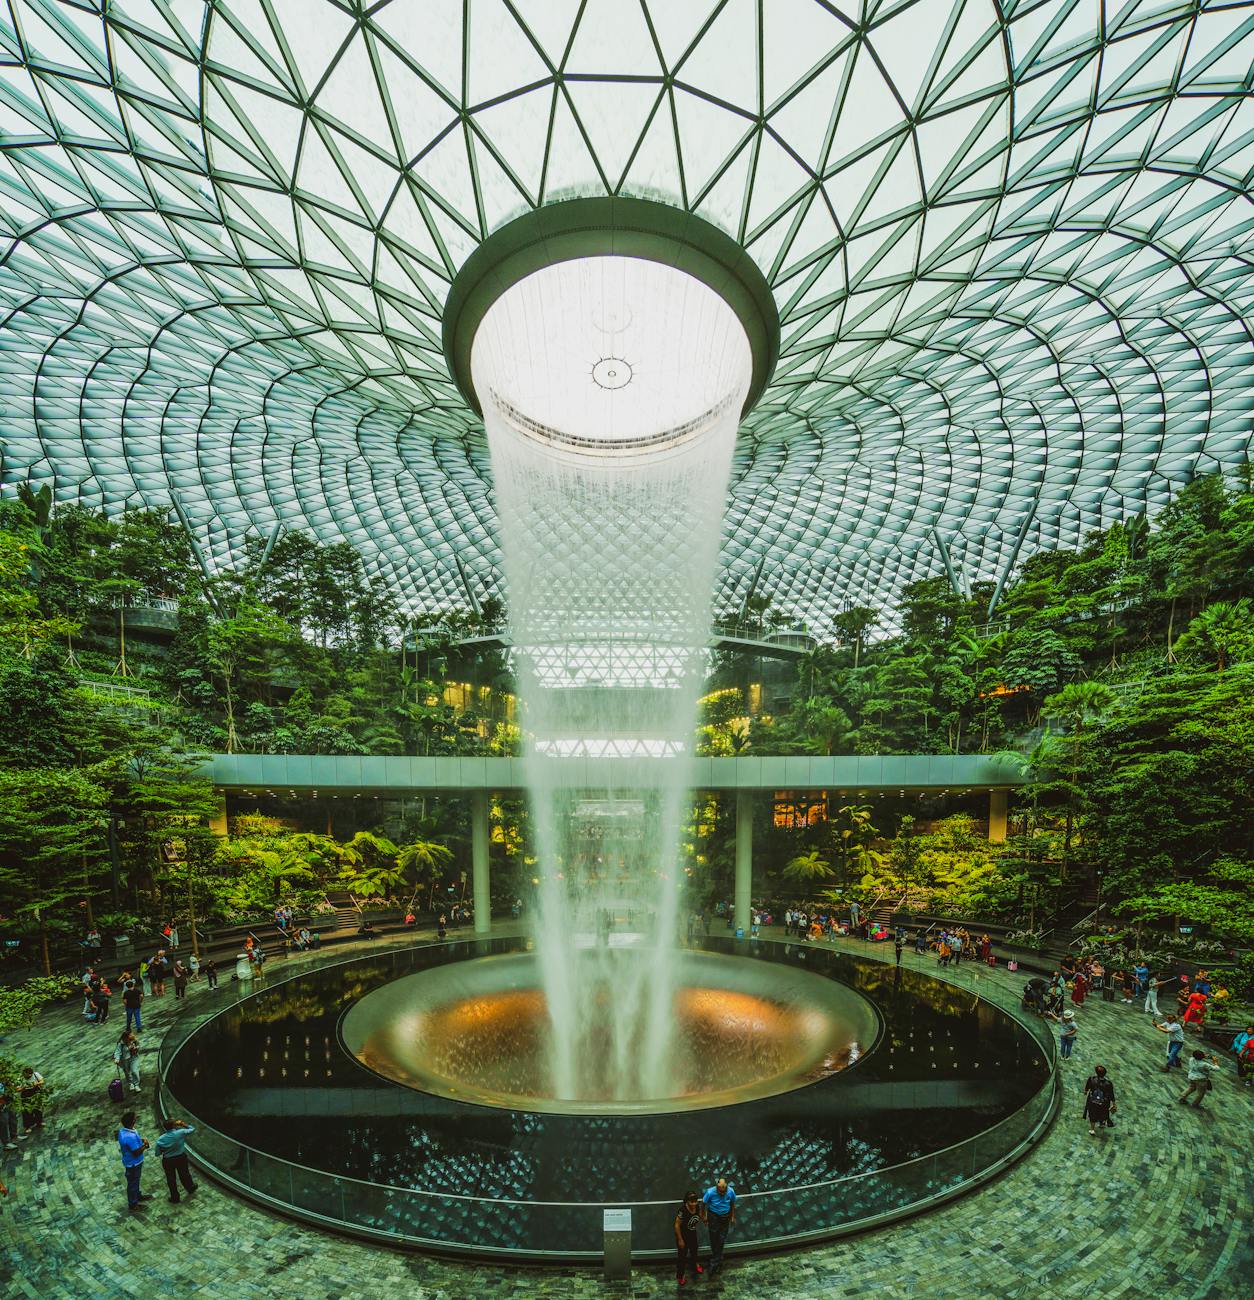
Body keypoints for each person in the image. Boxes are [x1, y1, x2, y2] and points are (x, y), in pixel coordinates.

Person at [155, 1118, 197, 1202]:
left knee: (171, 1178)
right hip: (181, 1158)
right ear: (174, 1125)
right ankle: (190, 1187)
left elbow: (157, 1154)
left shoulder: (160, 1139)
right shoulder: (181, 1132)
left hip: (168, 1160)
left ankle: (175, 1197)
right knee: (184, 1174)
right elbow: (192, 1129)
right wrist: (182, 1124)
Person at [701, 1177, 736, 1276]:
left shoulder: (730, 1191)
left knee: (721, 1238)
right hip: (713, 1216)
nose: (722, 1194)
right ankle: (718, 1259)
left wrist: (732, 1216)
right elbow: (703, 1204)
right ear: (716, 1188)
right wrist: (703, 1216)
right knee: (713, 1237)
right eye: (720, 1192)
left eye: (724, 1191)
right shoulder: (710, 1192)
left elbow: (732, 1203)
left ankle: (715, 1261)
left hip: (725, 1216)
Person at [117, 1110, 150, 1211]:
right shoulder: (130, 1137)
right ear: (133, 1121)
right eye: (135, 1118)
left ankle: (137, 1196)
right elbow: (136, 1152)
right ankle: (133, 1205)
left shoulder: (123, 1131)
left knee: (135, 1182)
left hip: (130, 1162)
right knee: (133, 1183)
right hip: (134, 1164)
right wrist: (145, 1145)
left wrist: (140, 1140)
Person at [674, 1189, 703, 1285]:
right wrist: (680, 1240)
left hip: (692, 1233)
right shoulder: (683, 1210)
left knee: (694, 1251)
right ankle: (680, 1275)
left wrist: (704, 1219)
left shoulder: (697, 1207)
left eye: (695, 1201)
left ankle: (694, 1264)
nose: (694, 1204)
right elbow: (677, 1225)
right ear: (687, 1201)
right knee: (682, 1256)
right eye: (691, 1201)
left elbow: (699, 1215)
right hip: (683, 1235)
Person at [1083, 1064, 1116, 1136]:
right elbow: (1111, 1094)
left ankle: (1092, 1129)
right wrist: (1113, 1103)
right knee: (1103, 1112)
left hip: (1093, 1101)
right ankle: (1102, 1122)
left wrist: (1085, 1091)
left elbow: (1087, 1088)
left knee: (1092, 1114)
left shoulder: (1092, 1079)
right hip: (1103, 1102)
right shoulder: (1108, 1083)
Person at [113, 1029, 142, 1094]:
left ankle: (136, 1084)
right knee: (127, 1072)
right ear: (126, 1037)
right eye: (130, 1035)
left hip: (134, 1058)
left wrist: (136, 1048)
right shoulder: (121, 1044)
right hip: (125, 1059)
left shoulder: (134, 1040)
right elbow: (117, 1052)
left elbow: (138, 1046)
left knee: (134, 1070)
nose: (132, 1035)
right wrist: (117, 1059)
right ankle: (130, 1083)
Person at [18, 1067, 44, 1133]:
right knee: (26, 1110)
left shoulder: (35, 1074)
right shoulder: (20, 1078)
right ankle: (28, 1126)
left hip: (35, 1091)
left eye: (30, 1074)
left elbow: (42, 1081)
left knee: (38, 1107)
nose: (29, 1076)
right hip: (25, 1093)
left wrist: (37, 1083)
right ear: (24, 1073)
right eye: (28, 1075)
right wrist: (23, 1087)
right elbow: (17, 1089)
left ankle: (39, 1122)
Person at [0, 1077, 18, 1150]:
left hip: (7, 1101)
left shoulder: (3, 1076)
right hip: (1, 1104)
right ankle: (6, 1143)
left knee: (12, 1117)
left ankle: (14, 1136)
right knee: (3, 1123)